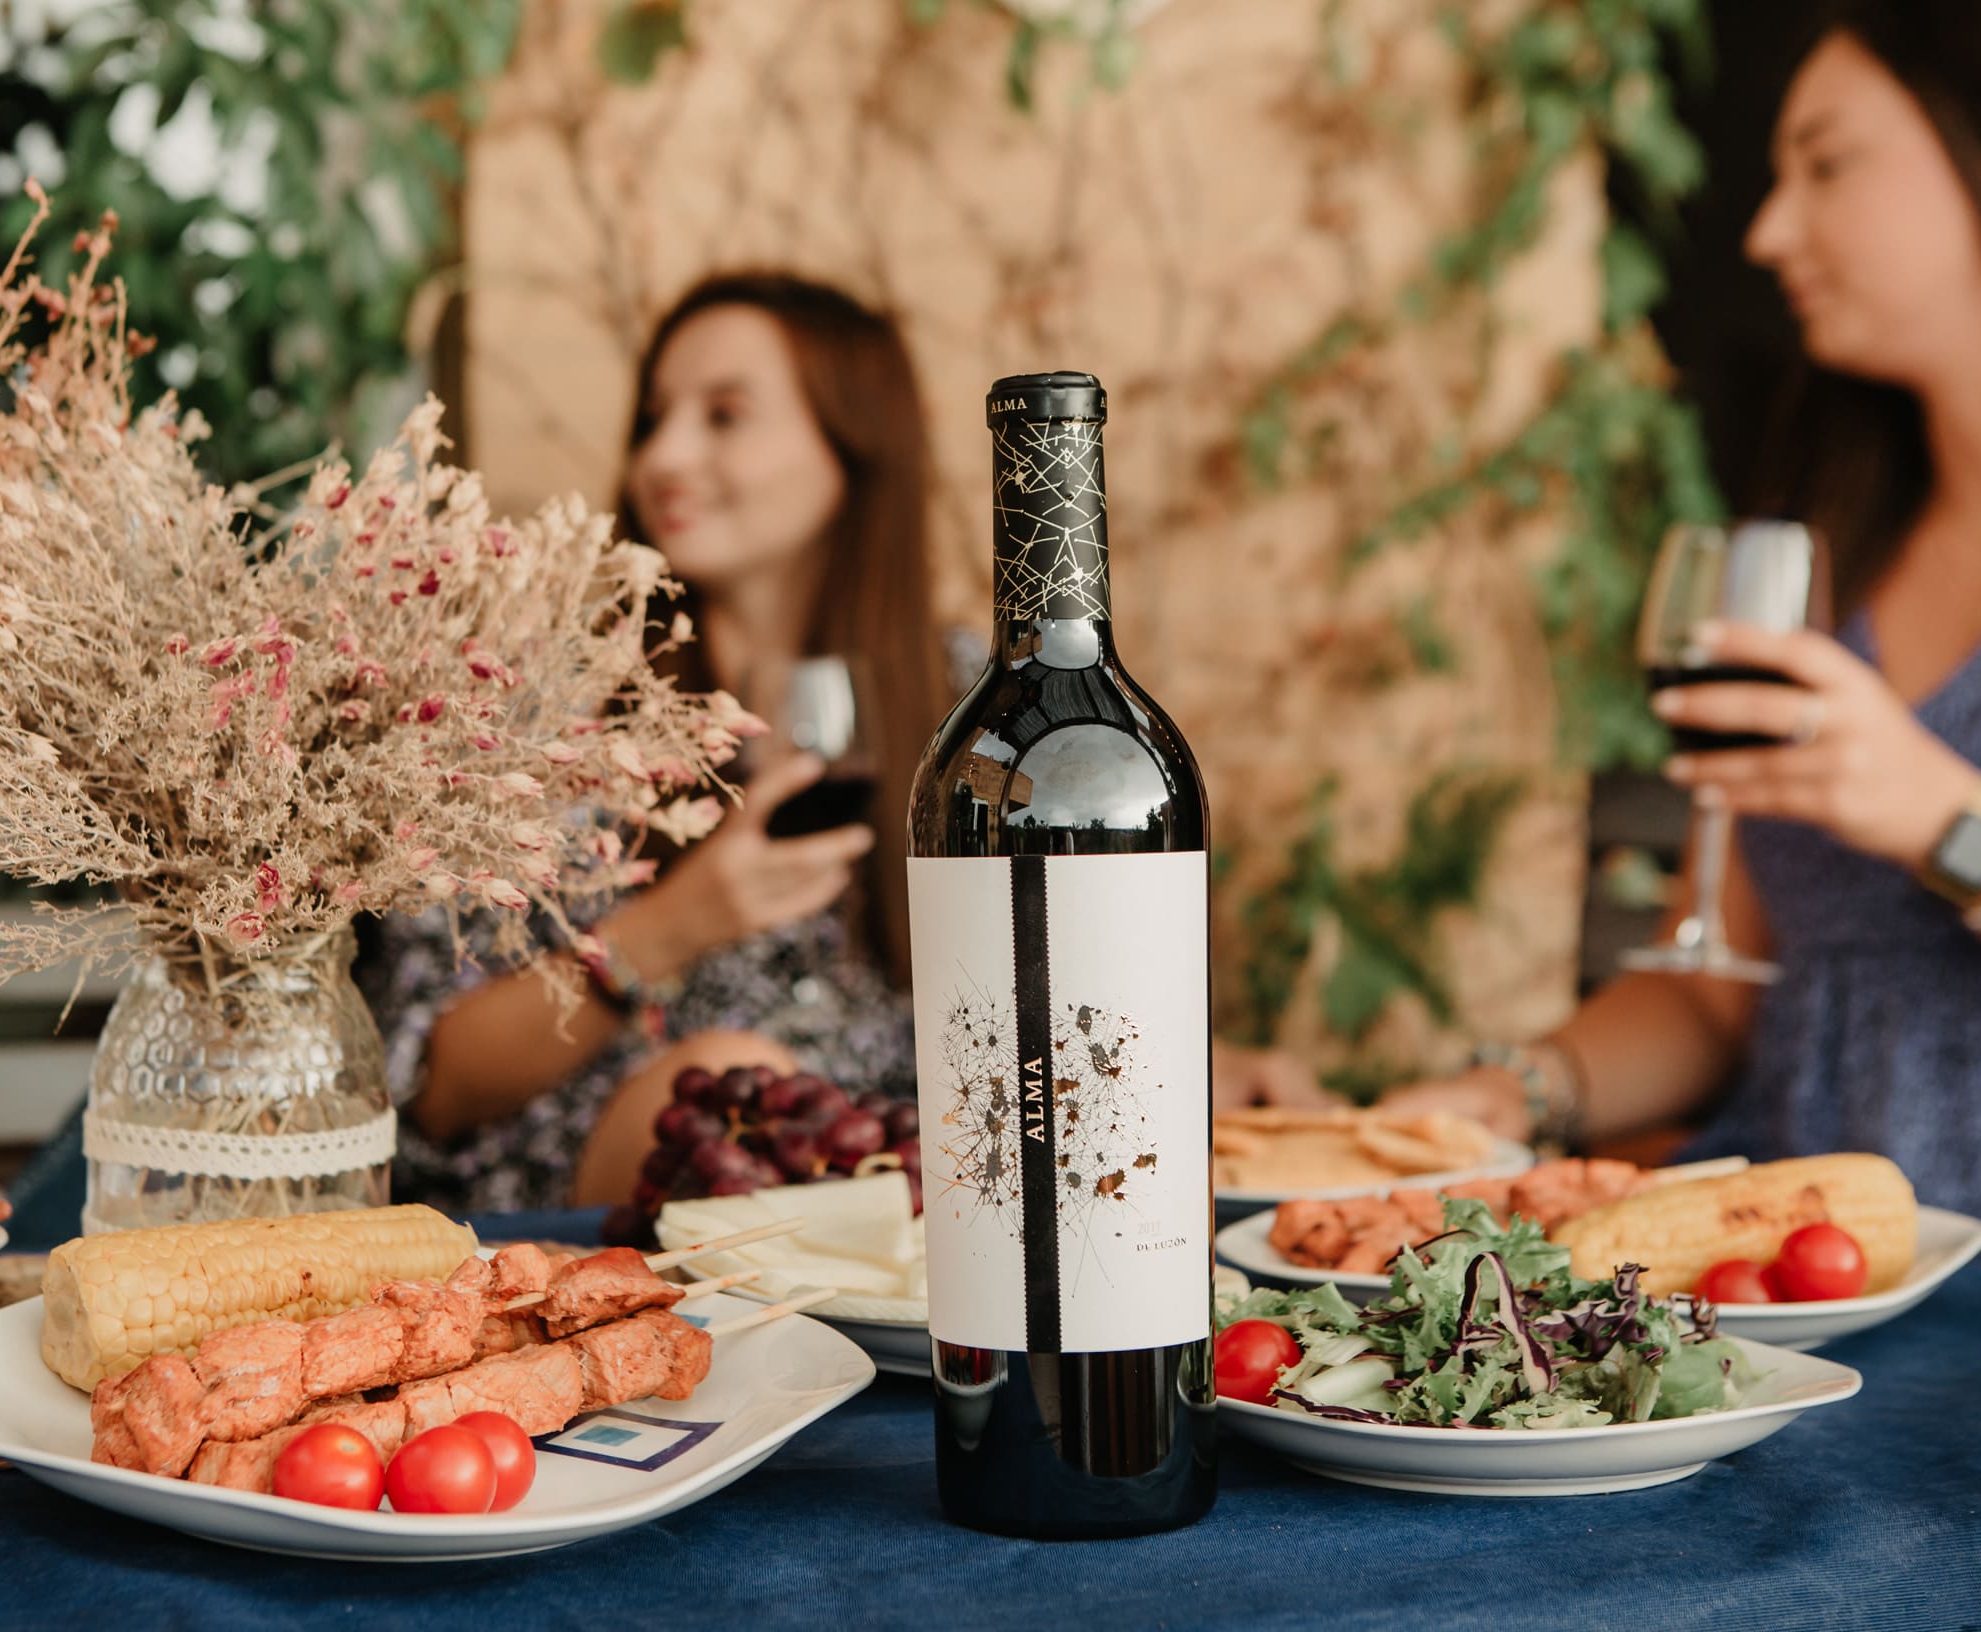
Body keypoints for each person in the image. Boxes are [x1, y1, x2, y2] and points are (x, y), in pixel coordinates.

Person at [368, 273, 1323, 1214]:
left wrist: (1196, 1078)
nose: (664, 455)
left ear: (852, 445)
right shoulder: (546, 706)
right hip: (607, 1190)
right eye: (655, 418)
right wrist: (672, 925)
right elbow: (435, 1091)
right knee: (723, 1077)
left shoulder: (967, 701)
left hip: (902, 1179)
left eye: (725, 415)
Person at [1383, 2, 1981, 1261]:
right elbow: (1711, 986)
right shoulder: (1824, 535)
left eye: (1827, 165)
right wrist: (1518, 1092)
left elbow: (1934, 820)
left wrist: (1938, 814)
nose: (1765, 229)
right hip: (1780, 1278)